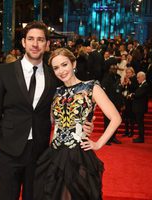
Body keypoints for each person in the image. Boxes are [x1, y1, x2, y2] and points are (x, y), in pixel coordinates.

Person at [0, 21, 94, 200]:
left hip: (40, 152)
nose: (35, 44)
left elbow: (72, 101)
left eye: (40, 40)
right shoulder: (4, 71)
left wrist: (85, 123)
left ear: (47, 44)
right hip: (7, 150)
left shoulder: (55, 75)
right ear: (23, 42)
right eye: (31, 39)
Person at [33, 48, 122, 200]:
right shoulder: (55, 92)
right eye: (56, 68)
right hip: (54, 154)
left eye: (64, 64)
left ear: (73, 63)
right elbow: (51, 121)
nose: (61, 71)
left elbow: (115, 118)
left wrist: (98, 144)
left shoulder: (91, 87)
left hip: (78, 155)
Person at [132, 71, 149, 143]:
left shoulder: (145, 85)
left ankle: (141, 138)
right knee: (139, 123)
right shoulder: (142, 85)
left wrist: (132, 95)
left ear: (143, 77)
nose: (137, 79)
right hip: (139, 107)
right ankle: (140, 137)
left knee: (140, 123)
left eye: (138, 77)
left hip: (140, 108)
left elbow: (138, 95)